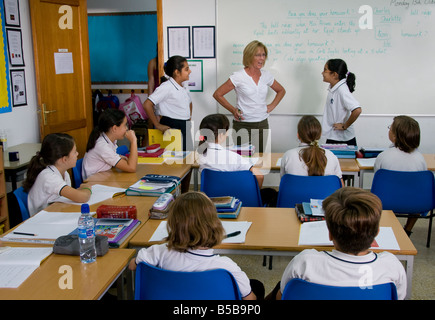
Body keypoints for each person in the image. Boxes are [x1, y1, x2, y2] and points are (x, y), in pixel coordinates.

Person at [268, 187, 407, 300]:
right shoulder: (391, 266)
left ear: (329, 233)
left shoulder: (305, 262)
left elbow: (283, 297)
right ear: (377, 232)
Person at [129, 191, 264, 300]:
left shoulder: (159, 252)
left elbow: (133, 266)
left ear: (172, 225)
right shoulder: (227, 268)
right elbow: (249, 299)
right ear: (214, 224)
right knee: (256, 286)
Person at [213, 40, 286, 153]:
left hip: (262, 124)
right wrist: (233, 110)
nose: (262, 58)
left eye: (263, 55)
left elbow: (281, 90)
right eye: (258, 55)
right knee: (243, 160)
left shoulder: (266, 75)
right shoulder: (238, 76)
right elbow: (218, 94)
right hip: (243, 125)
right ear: (249, 56)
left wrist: (271, 106)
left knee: (259, 159)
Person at [374, 115, 427, 236]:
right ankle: (407, 229)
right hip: (416, 204)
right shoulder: (420, 159)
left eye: (390, 128)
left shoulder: (383, 156)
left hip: (387, 202)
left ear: (394, 135)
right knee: (417, 194)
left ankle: (385, 227)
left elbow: (378, 179)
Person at [24, 133, 91, 217]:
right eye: (74, 152)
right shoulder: (48, 177)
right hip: (42, 220)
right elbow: (82, 197)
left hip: (55, 213)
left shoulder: (64, 173)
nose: (77, 154)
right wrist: (87, 187)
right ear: (64, 159)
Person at [197, 113, 264, 188]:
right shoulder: (233, 157)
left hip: (210, 196)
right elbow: (259, 176)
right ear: (221, 135)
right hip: (233, 196)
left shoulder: (201, 155)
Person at [143, 55, 193, 151]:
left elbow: (189, 102)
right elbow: (147, 104)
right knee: (174, 161)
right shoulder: (166, 87)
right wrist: (157, 124)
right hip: (172, 125)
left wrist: (189, 118)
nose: (190, 71)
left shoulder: (184, 85)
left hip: (184, 124)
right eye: (186, 69)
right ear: (177, 72)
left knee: (187, 156)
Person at [280, 115, 343, 185]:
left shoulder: (288, 156)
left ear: (298, 135)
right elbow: (340, 186)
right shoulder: (331, 156)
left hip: (296, 196)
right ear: (320, 134)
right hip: (325, 196)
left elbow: (284, 183)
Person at [82, 109, 138, 180]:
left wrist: (117, 157)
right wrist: (133, 141)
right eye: (125, 125)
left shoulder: (108, 139)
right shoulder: (102, 145)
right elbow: (131, 168)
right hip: (94, 184)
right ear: (114, 128)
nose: (126, 128)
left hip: (105, 178)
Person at [321, 58, 361, 146]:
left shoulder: (342, 90)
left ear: (334, 74)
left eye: (325, 70)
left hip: (342, 139)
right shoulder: (334, 88)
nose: (322, 73)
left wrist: (344, 126)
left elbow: (357, 110)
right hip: (334, 135)